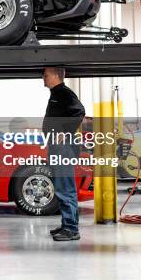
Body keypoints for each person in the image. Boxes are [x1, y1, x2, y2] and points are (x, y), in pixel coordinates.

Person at [42, 67, 85, 241]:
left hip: (63, 148)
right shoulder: (56, 93)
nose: (42, 78)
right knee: (62, 186)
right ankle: (67, 224)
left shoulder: (64, 93)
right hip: (57, 147)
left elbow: (79, 111)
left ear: (55, 76)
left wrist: (65, 132)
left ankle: (71, 229)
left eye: (45, 75)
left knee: (65, 187)